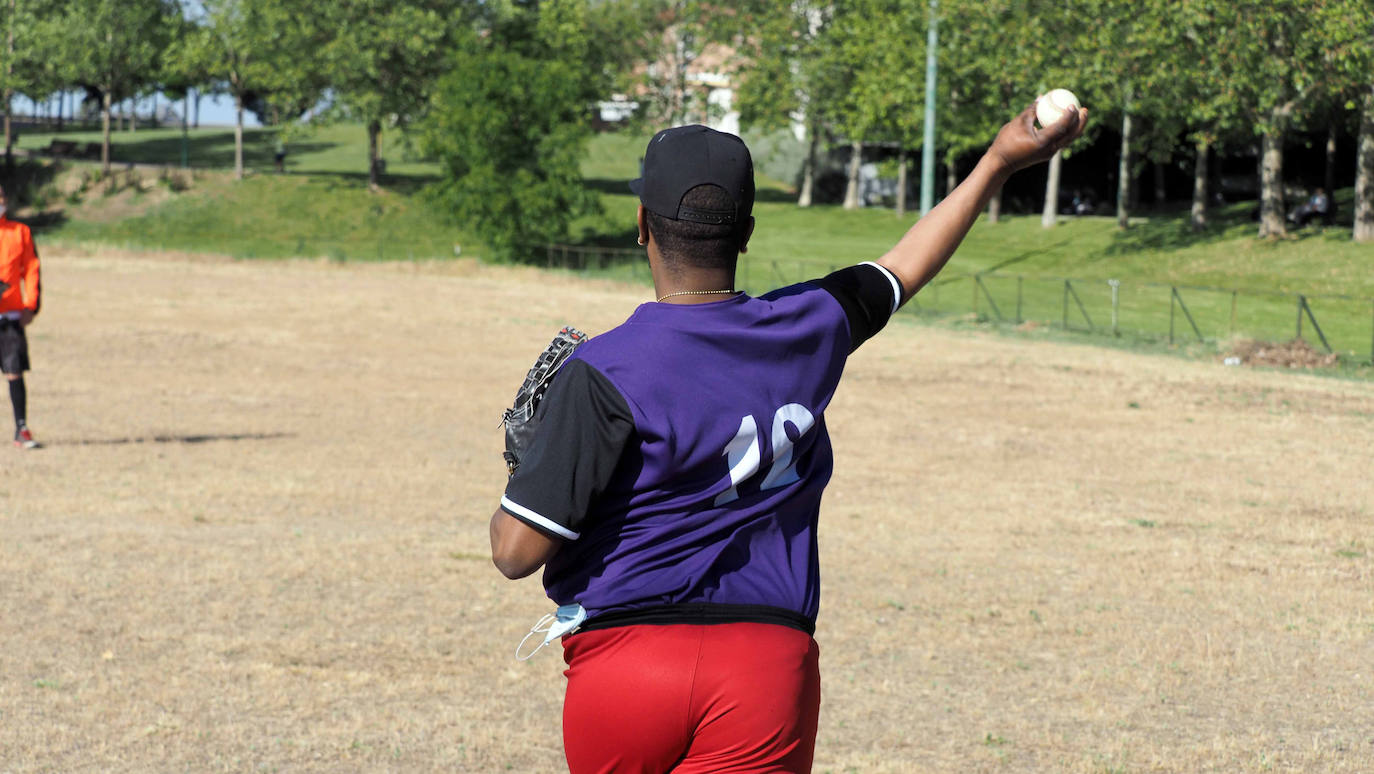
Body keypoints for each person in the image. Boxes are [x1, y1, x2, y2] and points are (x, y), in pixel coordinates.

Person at [489, 103, 1086, 773]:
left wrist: (531, 464)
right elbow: (904, 267)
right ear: (746, 233)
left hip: (629, 665)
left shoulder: (605, 369)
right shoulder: (809, 324)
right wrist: (1000, 159)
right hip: (766, 667)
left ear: (641, 226)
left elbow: (516, 552)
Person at [0, 184, 42, 449]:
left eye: (1, 197)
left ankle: (21, 428)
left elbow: (32, 269)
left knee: (14, 371)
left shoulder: (20, 232)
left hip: (10, 317)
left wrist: (31, 305)